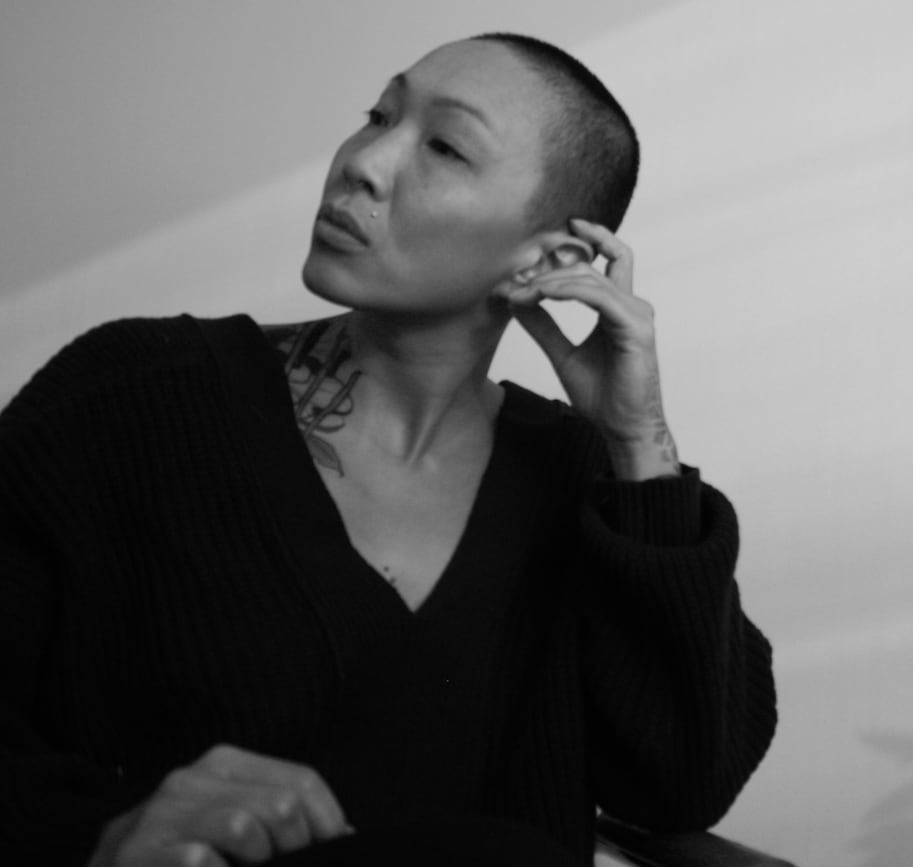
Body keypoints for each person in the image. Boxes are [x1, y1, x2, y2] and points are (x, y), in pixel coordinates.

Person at [0, 32, 777, 867]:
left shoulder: (586, 482)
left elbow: (682, 782)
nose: (365, 161)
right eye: (378, 114)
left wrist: (638, 443)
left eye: (443, 146)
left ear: (548, 260)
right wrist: (100, 836)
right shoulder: (133, 397)